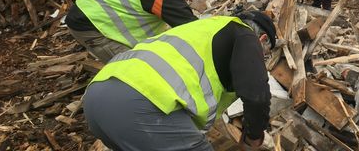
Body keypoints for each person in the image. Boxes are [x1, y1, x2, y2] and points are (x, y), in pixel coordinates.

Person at [83, 10, 276, 151]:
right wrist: (253, 138)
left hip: (97, 96)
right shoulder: (245, 34)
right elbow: (256, 95)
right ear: (263, 39)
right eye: (264, 54)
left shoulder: (202, 27)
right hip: (142, 106)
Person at [65, 0, 201, 62]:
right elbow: (191, 27)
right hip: (89, 24)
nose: (188, 1)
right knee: (137, 67)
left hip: (86, 9)